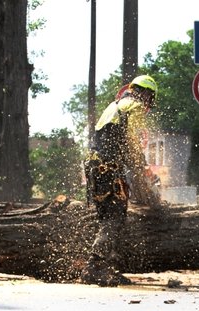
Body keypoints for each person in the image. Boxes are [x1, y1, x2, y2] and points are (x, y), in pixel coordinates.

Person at [82, 74, 162, 287]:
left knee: (106, 216)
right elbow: (131, 142)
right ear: (146, 93)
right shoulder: (134, 106)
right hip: (107, 169)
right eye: (150, 97)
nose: (149, 102)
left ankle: (105, 266)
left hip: (94, 167)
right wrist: (142, 169)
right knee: (115, 216)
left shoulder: (115, 105)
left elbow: (114, 139)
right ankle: (94, 267)